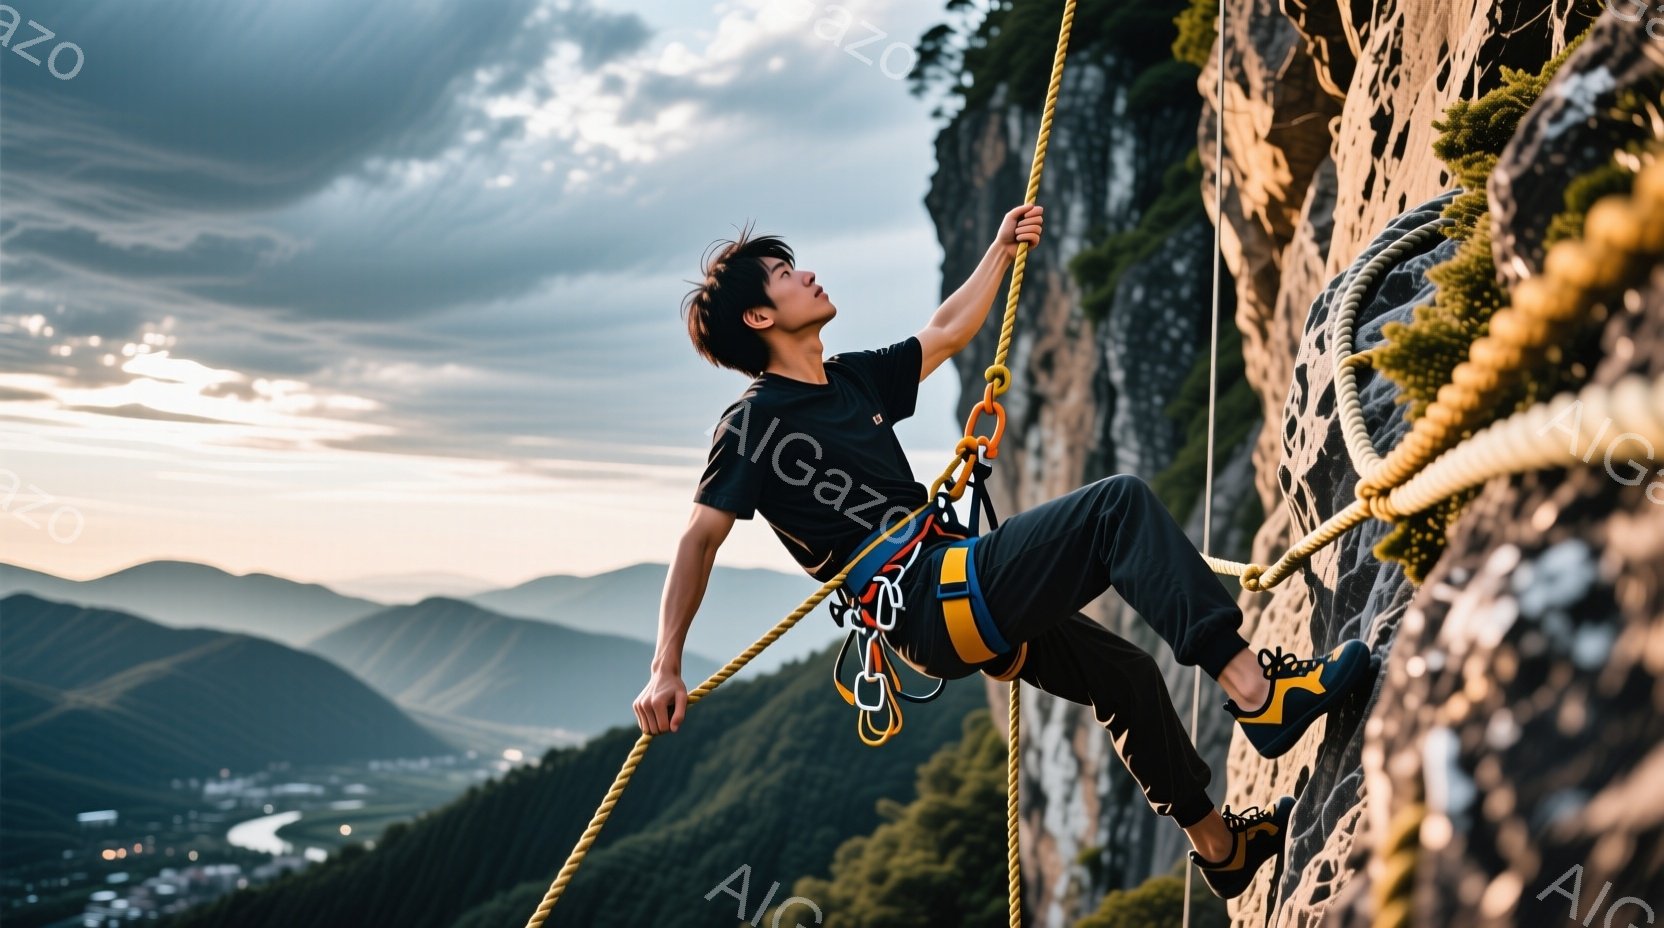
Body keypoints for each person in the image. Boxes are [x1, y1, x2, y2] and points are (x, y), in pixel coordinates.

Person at [635, 204, 1376, 900]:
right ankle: (1258, 693)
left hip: (950, 586)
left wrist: (999, 247)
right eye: (786, 275)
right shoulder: (750, 425)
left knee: (1126, 676)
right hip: (929, 597)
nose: (808, 274)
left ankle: (1223, 852)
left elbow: (947, 332)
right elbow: (701, 537)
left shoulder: (850, 379)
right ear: (760, 317)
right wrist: (666, 664)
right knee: (1117, 507)